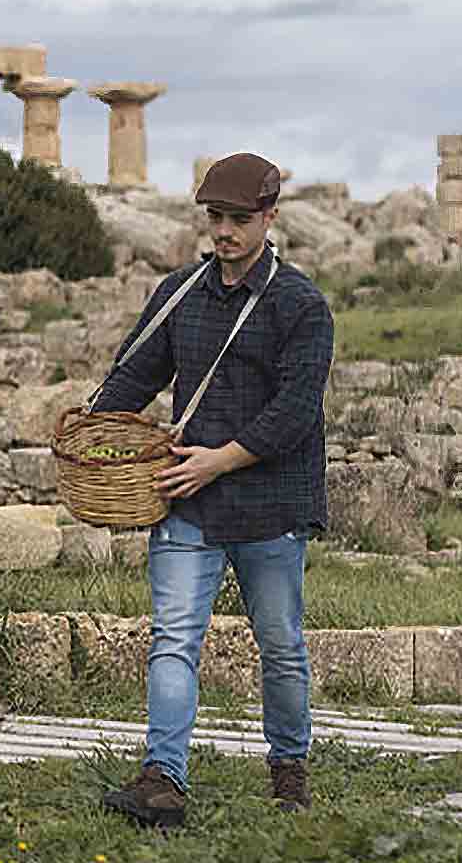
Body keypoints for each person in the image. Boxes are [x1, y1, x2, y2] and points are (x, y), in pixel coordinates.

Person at [95, 152, 335, 829]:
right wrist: (96, 432)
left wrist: (217, 462)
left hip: (271, 504)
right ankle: (162, 780)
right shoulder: (180, 293)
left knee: (281, 643)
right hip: (188, 501)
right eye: (216, 218)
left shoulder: (301, 305)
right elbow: (134, 376)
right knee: (173, 638)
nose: (225, 231)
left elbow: (294, 413)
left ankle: (289, 768)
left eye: (239, 218)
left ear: (269, 217)